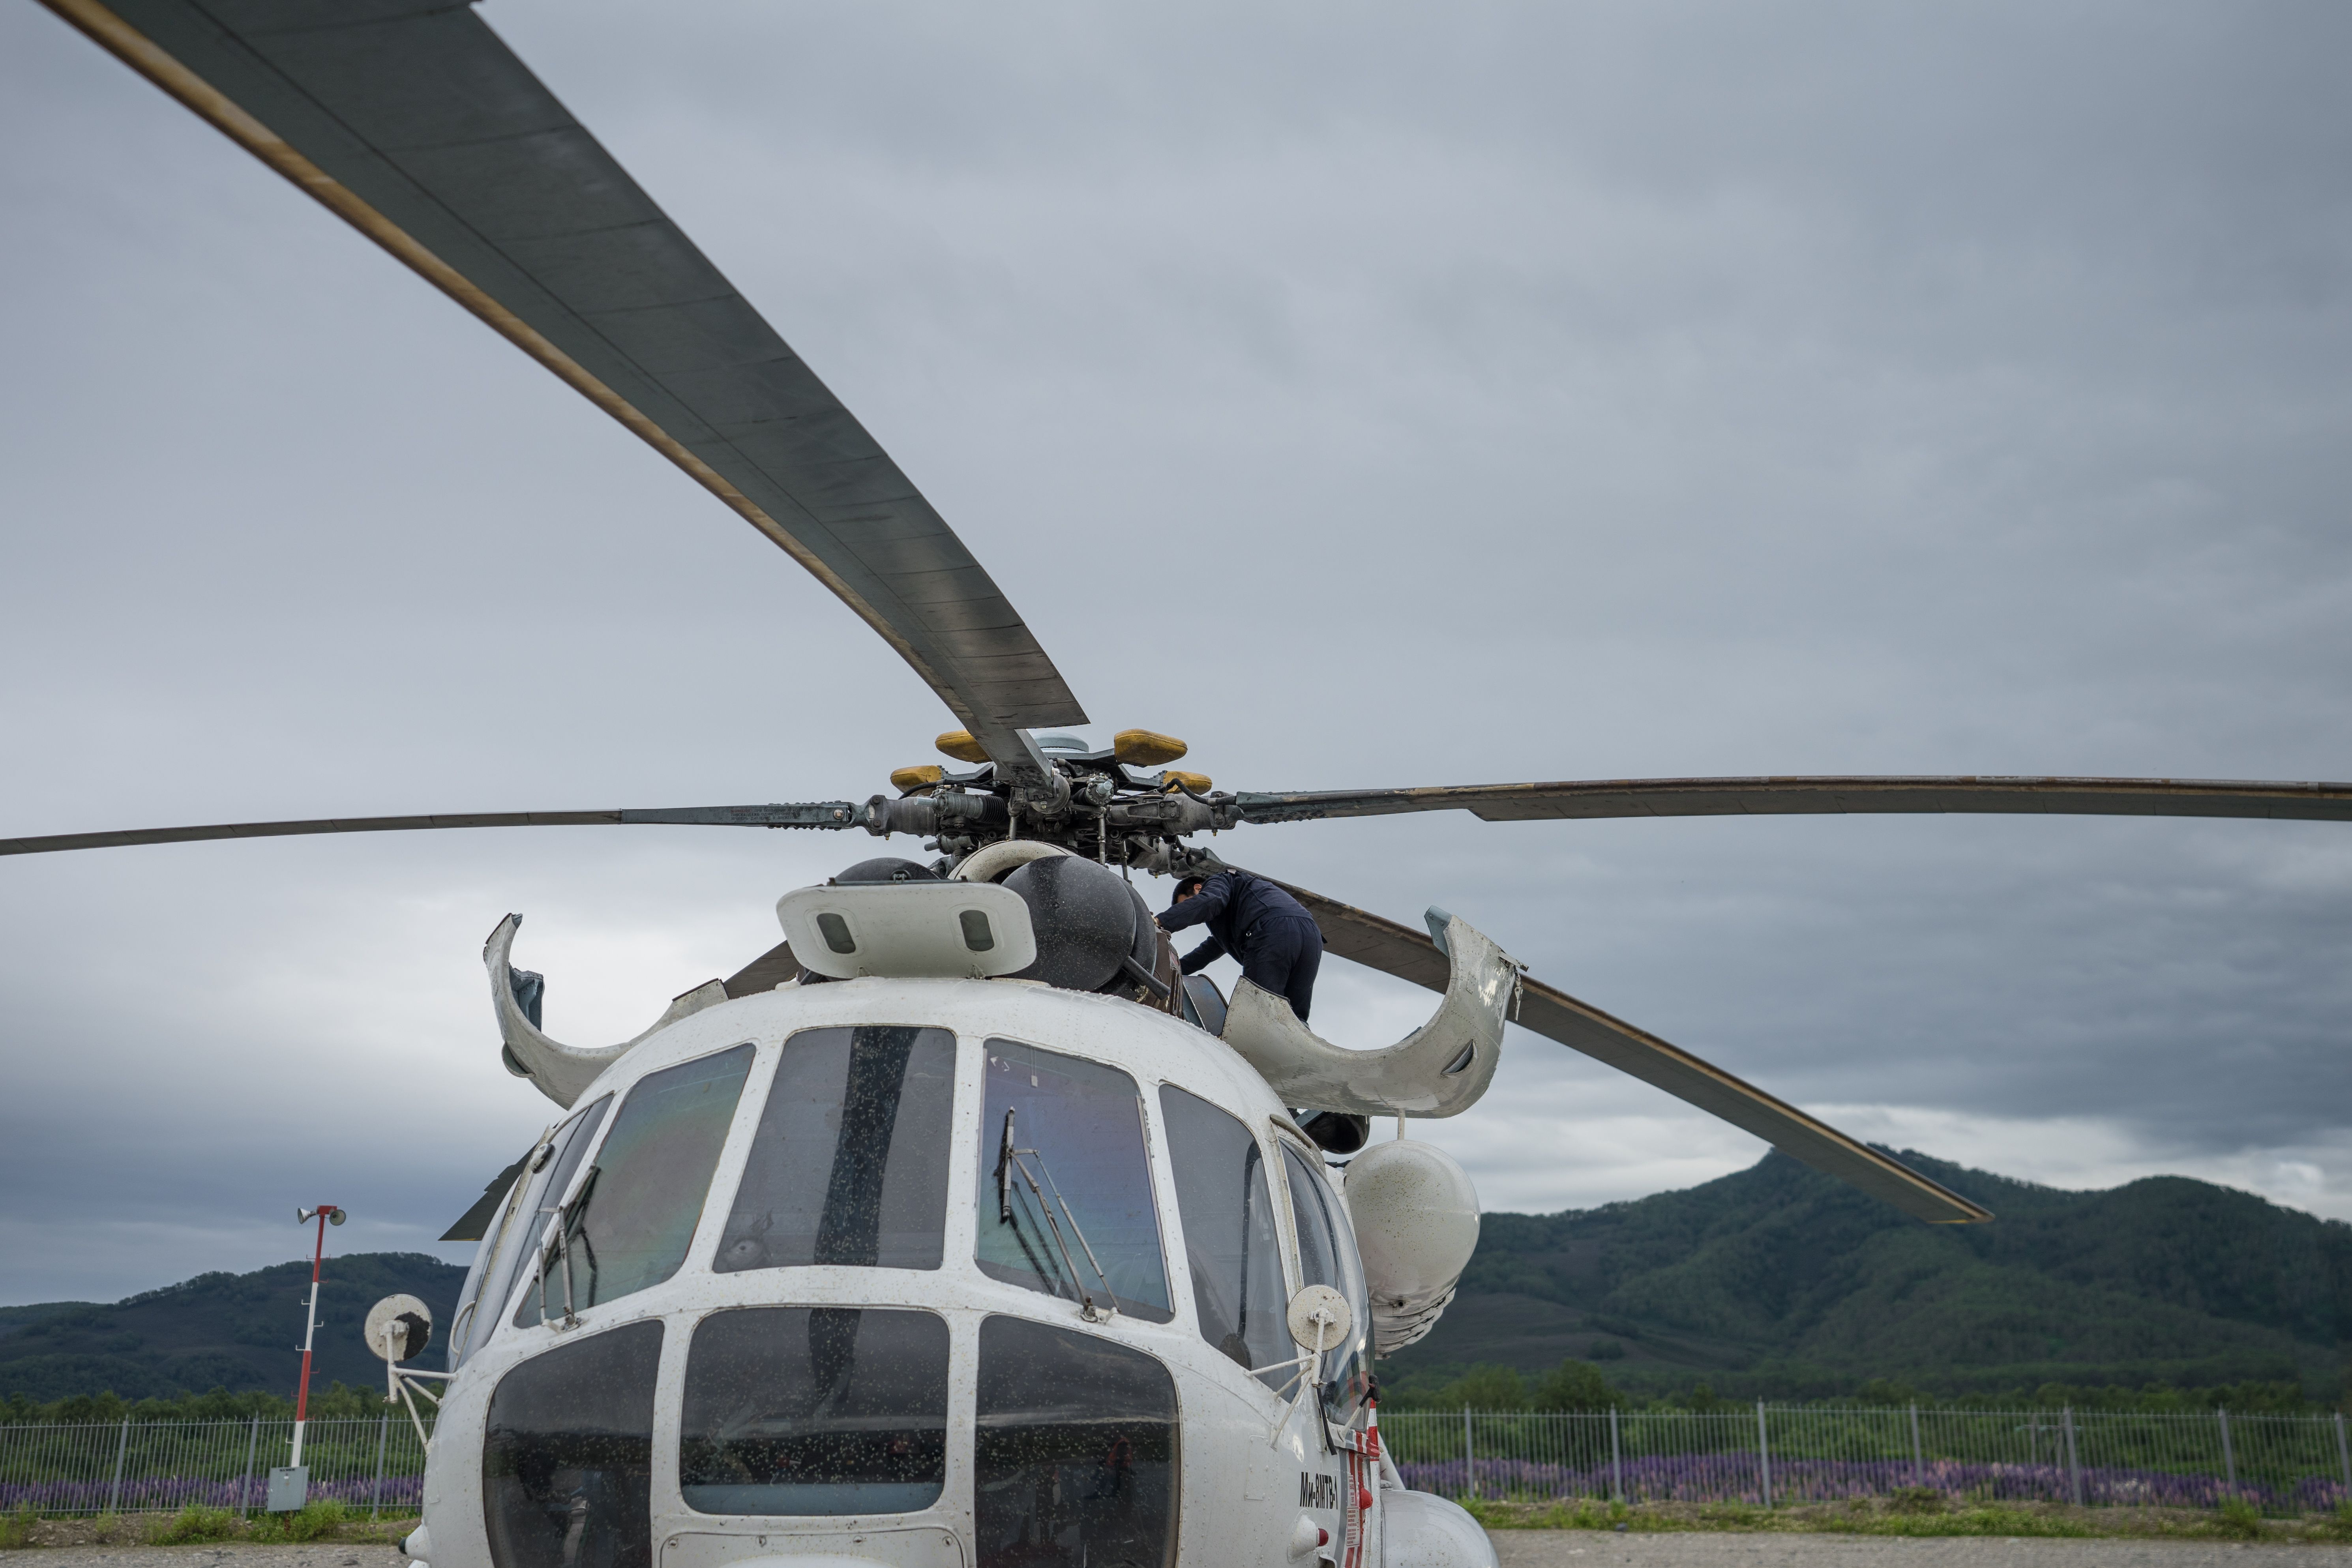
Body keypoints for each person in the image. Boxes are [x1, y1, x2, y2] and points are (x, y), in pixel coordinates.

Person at [1158, 868, 1324, 1023]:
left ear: (1198, 888)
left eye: (1188, 904)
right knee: (1295, 1019)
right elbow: (1209, 951)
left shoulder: (1221, 880)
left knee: (1258, 1014)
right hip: (1311, 937)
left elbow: (1210, 901)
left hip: (1274, 931)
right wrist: (1177, 970)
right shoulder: (1239, 907)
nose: (1191, 911)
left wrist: (1160, 923)